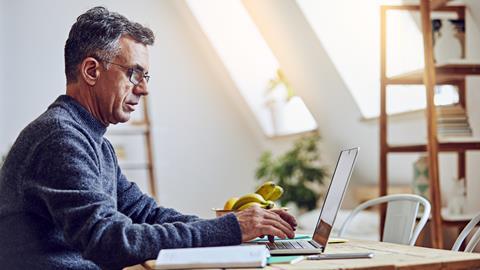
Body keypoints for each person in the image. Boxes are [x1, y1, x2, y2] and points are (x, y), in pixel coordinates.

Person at [0, 6, 296, 270]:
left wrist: (228, 228)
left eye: (146, 77)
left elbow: (144, 212)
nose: (143, 89)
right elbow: (109, 241)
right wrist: (231, 229)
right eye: (133, 73)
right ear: (91, 70)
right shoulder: (60, 138)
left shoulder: (93, 141)